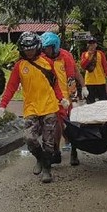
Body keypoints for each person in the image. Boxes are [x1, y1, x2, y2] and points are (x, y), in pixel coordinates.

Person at [0, 32, 69, 183]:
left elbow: (54, 83)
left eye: (31, 49)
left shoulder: (47, 62)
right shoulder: (19, 66)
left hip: (49, 106)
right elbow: (11, 87)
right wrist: (3, 105)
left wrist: (61, 98)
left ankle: (47, 170)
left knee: (49, 142)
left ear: (37, 48)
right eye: (26, 49)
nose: (29, 52)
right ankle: (40, 158)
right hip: (31, 108)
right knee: (29, 138)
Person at [40, 31, 87, 167]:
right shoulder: (43, 58)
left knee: (71, 125)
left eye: (48, 47)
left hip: (66, 97)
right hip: (51, 98)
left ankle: (74, 150)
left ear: (54, 46)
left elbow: (72, 77)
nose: (45, 50)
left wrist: (76, 96)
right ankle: (56, 151)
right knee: (55, 125)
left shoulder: (66, 56)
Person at [80, 36, 107, 103]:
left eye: (93, 43)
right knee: (90, 102)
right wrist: (89, 57)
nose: (92, 46)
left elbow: (105, 66)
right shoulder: (84, 54)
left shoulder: (100, 54)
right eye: (90, 44)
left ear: (96, 45)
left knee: (103, 102)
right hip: (89, 82)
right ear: (87, 45)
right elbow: (83, 66)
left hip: (100, 81)